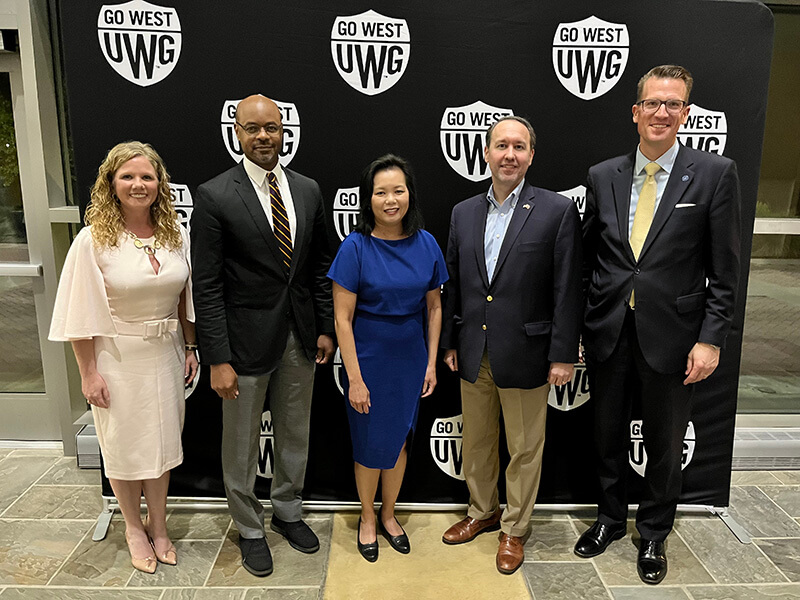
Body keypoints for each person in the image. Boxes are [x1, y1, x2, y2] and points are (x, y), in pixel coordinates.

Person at [575, 65, 741, 585]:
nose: (661, 113)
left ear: (686, 113)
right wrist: (580, 327)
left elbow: (726, 270)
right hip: (609, 332)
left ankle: (653, 533)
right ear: (636, 111)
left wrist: (711, 339)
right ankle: (609, 519)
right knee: (605, 435)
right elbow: (589, 260)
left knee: (666, 443)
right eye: (653, 103)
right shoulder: (603, 175)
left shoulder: (715, 174)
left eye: (673, 105)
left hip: (675, 338)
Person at [191, 95, 335, 577]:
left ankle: (288, 512)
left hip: (300, 338)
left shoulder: (309, 190)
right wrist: (218, 357)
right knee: (240, 445)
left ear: (283, 131)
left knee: (296, 431)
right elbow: (206, 286)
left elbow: (318, 268)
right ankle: (250, 528)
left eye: (270, 127)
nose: (262, 137)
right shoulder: (214, 195)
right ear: (236, 133)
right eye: (251, 128)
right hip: (242, 346)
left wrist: (325, 328)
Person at [441, 116, 583, 574]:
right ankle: (482, 513)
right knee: (477, 441)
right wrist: (449, 342)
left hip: (528, 353)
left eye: (519, 147)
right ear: (485, 153)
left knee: (524, 448)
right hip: (471, 350)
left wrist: (563, 353)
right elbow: (454, 285)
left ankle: (514, 530)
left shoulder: (557, 211)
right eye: (501, 145)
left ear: (531, 156)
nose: (510, 155)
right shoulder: (463, 212)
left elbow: (567, 288)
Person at [49, 141, 198, 573]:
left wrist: (190, 346)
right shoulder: (93, 240)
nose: (138, 184)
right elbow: (80, 311)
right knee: (124, 446)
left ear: (159, 183)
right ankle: (133, 527)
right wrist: (88, 372)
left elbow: (184, 296)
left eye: (147, 177)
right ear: (111, 184)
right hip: (116, 356)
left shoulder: (177, 234)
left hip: (166, 353)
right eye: (128, 177)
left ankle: (160, 523)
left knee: (162, 443)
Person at [328, 154, 447, 562]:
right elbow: (342, 320)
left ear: (410, 194)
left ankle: (390, 515)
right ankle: (366, 518)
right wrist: (355, 378)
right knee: (369, 445)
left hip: (411, 360)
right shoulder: (355, 246)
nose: (390, 199)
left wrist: (430, 363)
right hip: (368, 360)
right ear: (369, 198)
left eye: (398, 190)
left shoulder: (427, 244)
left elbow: (434, 309)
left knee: (398, 443)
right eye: (381, 192)